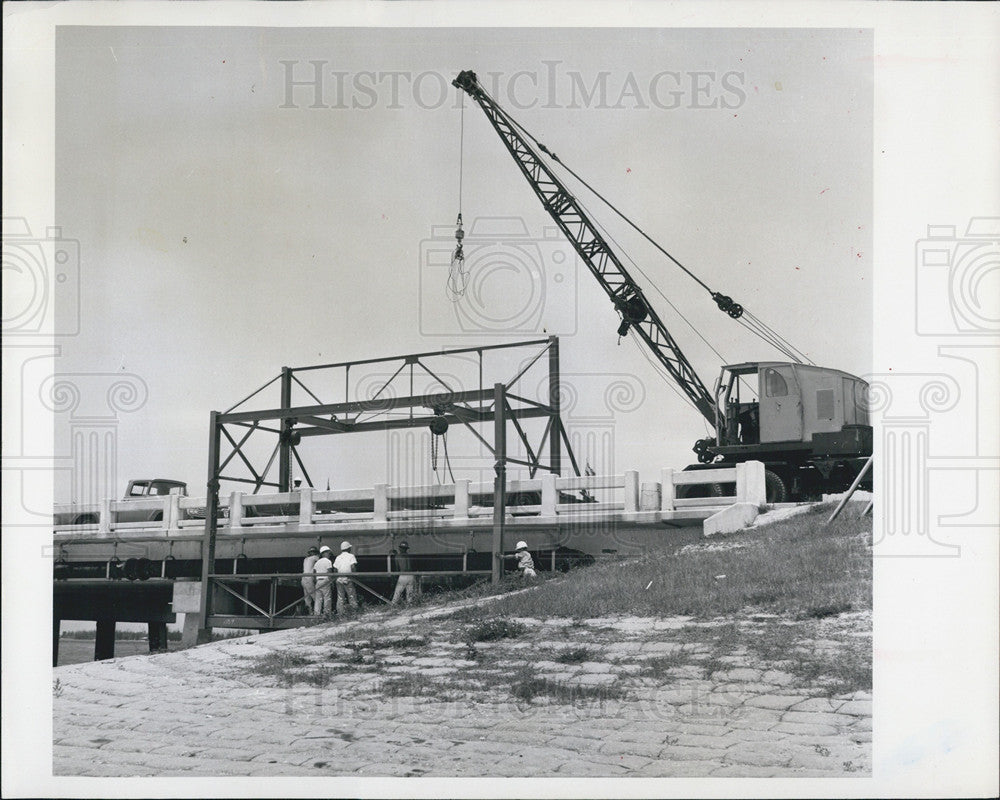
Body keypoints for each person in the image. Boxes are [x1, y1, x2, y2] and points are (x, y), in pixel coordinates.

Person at [333, 541, 359, 615]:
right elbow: (353, 567)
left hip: (339, 579)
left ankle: (340, 613)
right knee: (351, 596)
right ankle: (354, 612)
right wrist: (354, 576)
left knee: (340, 597)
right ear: (348, 548)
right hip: (348, 578)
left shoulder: (338, 557)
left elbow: (335, 569)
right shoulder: (351, 556)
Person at [313, 545, 334, 618]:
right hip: (325, 580)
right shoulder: (328, 561)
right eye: (328, 553)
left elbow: (314, 573)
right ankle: (327, 614)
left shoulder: (317, 562)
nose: (329, 554)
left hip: (318, 581)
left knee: (318, 599)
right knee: (327, 598)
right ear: (324, 553)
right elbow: (329, 572)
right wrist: (331, 582)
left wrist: (316, 581)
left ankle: (317, 615)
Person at [301, 546, 320, 615]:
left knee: (307, 597)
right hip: (309, 578)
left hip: (303, 578)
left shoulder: (305, 559)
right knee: (315, 596)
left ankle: (309, 612)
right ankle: (317, 613)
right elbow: (320, 561)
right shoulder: (315, 557)